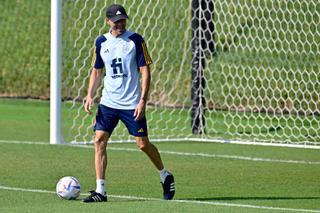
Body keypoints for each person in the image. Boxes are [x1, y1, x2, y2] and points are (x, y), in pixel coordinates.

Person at [82, 4, 175, 202]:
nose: (120, 24)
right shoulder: (101, 42)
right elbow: (97, 71)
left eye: (123, 20)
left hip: (131, 104)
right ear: (108, 21)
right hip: (108, 103)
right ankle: (101, 191)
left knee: (142, 144)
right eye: (116, 21)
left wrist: (143, 100)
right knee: (99, 140)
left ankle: (165, 175)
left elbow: (145, 71)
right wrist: (90, 94)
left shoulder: (136, 40)